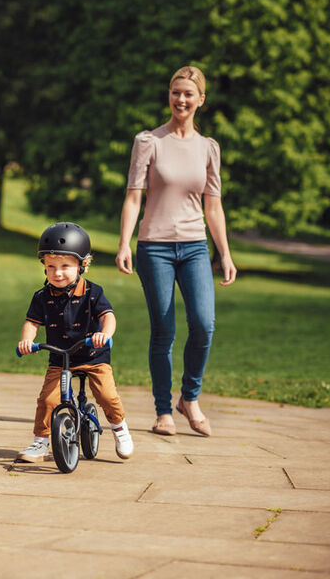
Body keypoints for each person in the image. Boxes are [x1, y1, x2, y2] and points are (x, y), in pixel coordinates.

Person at [115, 65, 237, 437]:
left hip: (196, 248)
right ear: (169, 96)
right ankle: (163, 410)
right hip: (155, 248)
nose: (181, 99)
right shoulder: (149, 142)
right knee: (163, 330)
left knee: (204, 324)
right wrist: (124, 242)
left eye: (188, 94)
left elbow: (213, 206)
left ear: (201, 100)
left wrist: (225, 254)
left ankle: (190, 397)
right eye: (175, 92)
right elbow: (134, 197)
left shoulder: (208, 148)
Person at [17, 222, 134, 462]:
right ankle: (41, 441)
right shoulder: (41, 297)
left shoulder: (93, 292)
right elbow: (32, 323)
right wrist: (27, 341)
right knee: (48, 400)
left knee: (105, 395)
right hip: (60, 357)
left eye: (65, 266)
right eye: (51, 267)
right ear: (44, 267)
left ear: (82, 265)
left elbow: (108, 317)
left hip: (93, 356)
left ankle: (120, 428)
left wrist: (105, 335)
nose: (57, 273)